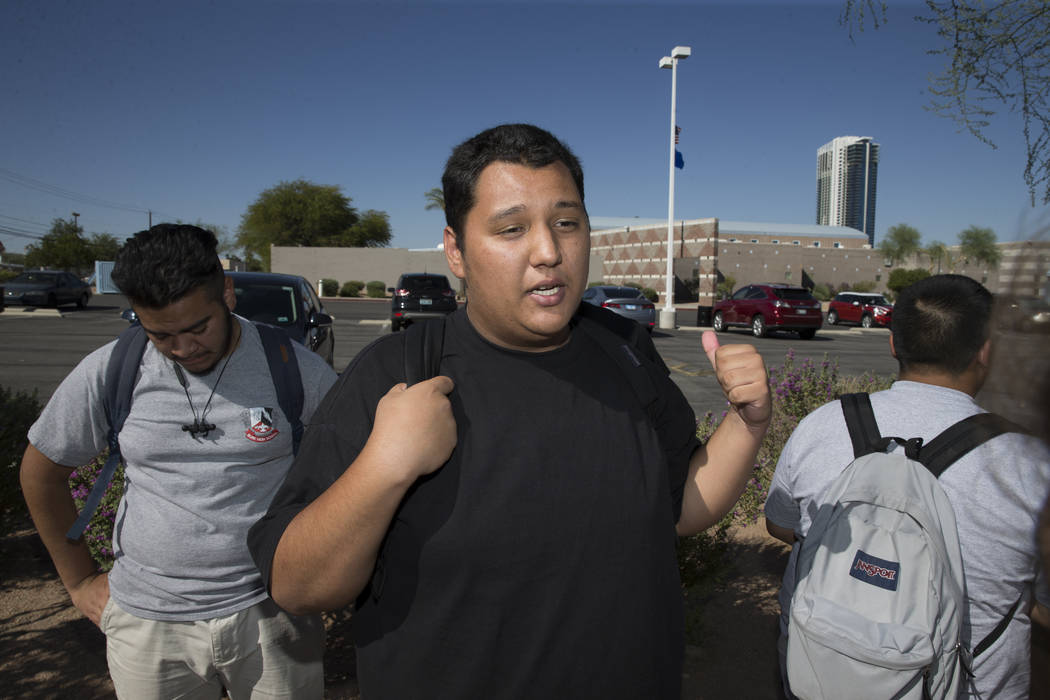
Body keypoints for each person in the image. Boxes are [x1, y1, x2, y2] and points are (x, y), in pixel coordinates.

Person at [248, 123, 771, 698]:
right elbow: (298, 585)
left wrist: (747, 424)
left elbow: (682, 507)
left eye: (566, 223)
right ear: (456, 251)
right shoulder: (397, 372)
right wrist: (385, 464)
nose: (549, 252)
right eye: (512, 229)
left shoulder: (626, 351)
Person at [20, 224, 338, 699]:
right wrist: (80, 580)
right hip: (148, 623)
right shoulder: (111, 370)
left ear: (226, 293)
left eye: (198, 328)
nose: (184, 349)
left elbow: (352, 469)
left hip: (271, 612)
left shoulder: (293, 368)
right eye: (161, 335)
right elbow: (41, 473)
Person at [764, 274, 1050, 699]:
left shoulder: (821, 424)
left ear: (894, 344)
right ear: (987, 351)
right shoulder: (1030, 465)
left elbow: (781, 525)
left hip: (817, 679)